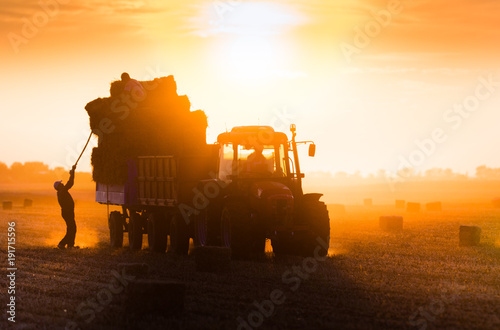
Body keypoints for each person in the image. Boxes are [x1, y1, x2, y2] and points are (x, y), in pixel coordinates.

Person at [54, 165, 78, 249]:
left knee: (72, 228)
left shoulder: (61, 191)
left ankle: (70, 245)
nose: (63, 184)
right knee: (72, 228)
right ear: (59, 187)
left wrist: (72, 173)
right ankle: (62, 243)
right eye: (61, 183)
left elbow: (69, 183)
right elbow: (70, 183)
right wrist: (72, 172)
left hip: (67, 212)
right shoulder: (62, 191)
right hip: (67, 212)